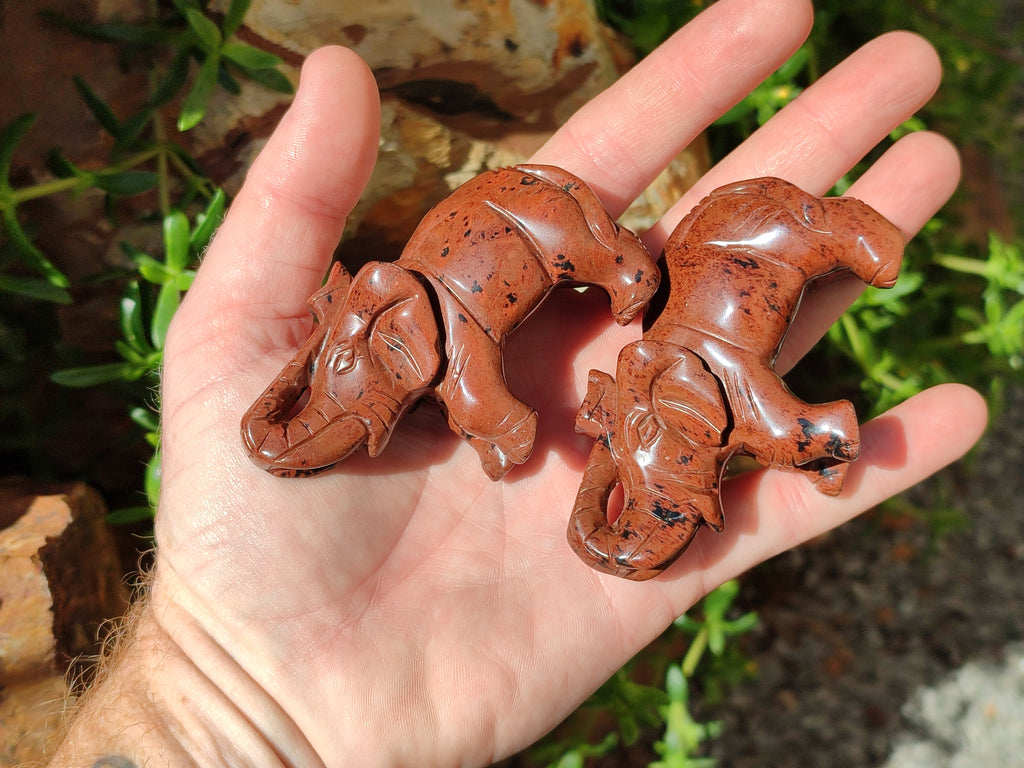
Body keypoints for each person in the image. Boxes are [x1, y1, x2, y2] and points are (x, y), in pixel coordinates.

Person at [48, 0, 988, 765]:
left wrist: (625, 307)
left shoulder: (459, 325)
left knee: (753, 236)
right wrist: (807, 440)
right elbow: (500, 400)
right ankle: (797, 237)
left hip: (587, 227)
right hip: (582, 247)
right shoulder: (486, 348)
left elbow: (510, 387)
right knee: (697, 276)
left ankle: (823, 229)